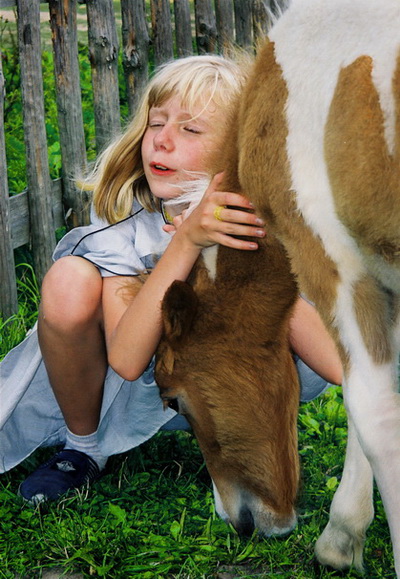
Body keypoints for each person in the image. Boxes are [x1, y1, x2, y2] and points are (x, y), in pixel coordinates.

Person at [0, 54, 342, 504]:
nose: (161, 141)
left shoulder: (266, 215)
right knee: (67, 281)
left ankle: (247, 438)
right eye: (155, 123)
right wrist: (186, 245)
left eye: (190, 129)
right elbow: (125, 360)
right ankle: (83, 448)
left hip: (239, 382)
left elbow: (339, 367)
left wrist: (246, 263)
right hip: (127, 386)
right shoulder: (124, 221)